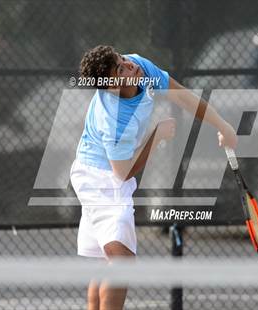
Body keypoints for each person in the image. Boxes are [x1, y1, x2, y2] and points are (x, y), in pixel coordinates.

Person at [70, 45, 237, 310]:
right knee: (121, 261)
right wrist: (156, 136)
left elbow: (182, 96)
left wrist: (222, 125)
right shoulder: (113, 118)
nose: (129, 66)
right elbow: (122, 172)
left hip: (94, 171)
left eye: (122, 59)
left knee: (107, 260)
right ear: (110, 85)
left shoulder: (141, 67)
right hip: (101, 180)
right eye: (120, 69)